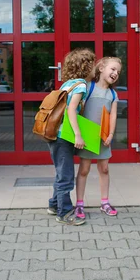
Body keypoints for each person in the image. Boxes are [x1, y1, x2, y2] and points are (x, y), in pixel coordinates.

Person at [46, 48, 96, 225]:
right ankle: (65, 213)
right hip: (64, 137)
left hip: (55, 135)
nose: (95, 69)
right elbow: (71, 110)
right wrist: (78, 135)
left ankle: (53, 205)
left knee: (61, 171)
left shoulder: (67, 84)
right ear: (86, 66)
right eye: (93, 64)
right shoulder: (80, 85)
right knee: (66, 175)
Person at [75, 57, 122, 218]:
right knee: (84, 169)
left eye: (118, 72)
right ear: (101, 68)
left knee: (104, 169)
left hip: (103, 138)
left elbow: (113, 116)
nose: (115, 73)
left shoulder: (113, 94)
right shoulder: (88, 87)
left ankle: (105, 202)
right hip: (87, 137)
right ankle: (79, 204)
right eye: (113, 69)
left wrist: (110, 135)